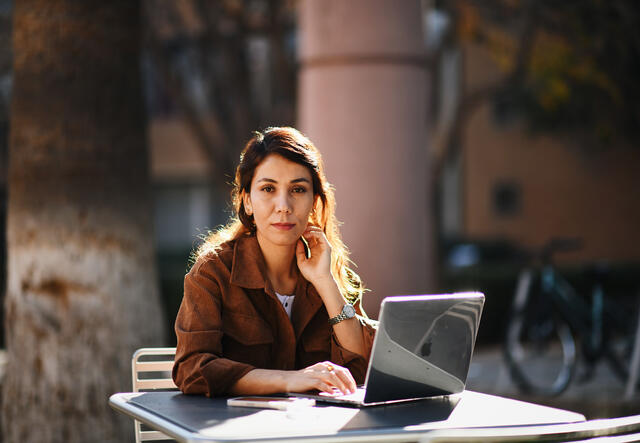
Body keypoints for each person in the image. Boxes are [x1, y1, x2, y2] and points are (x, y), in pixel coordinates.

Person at [172, 126, 377, 398]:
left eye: (298, 189)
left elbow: (360, 367)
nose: (284, 205)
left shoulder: (333, 272)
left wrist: (325, 282)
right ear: (246, 201)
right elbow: (192, 369)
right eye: (268, 188)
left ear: (314, 202)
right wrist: (290, 380)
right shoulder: (213, 272)